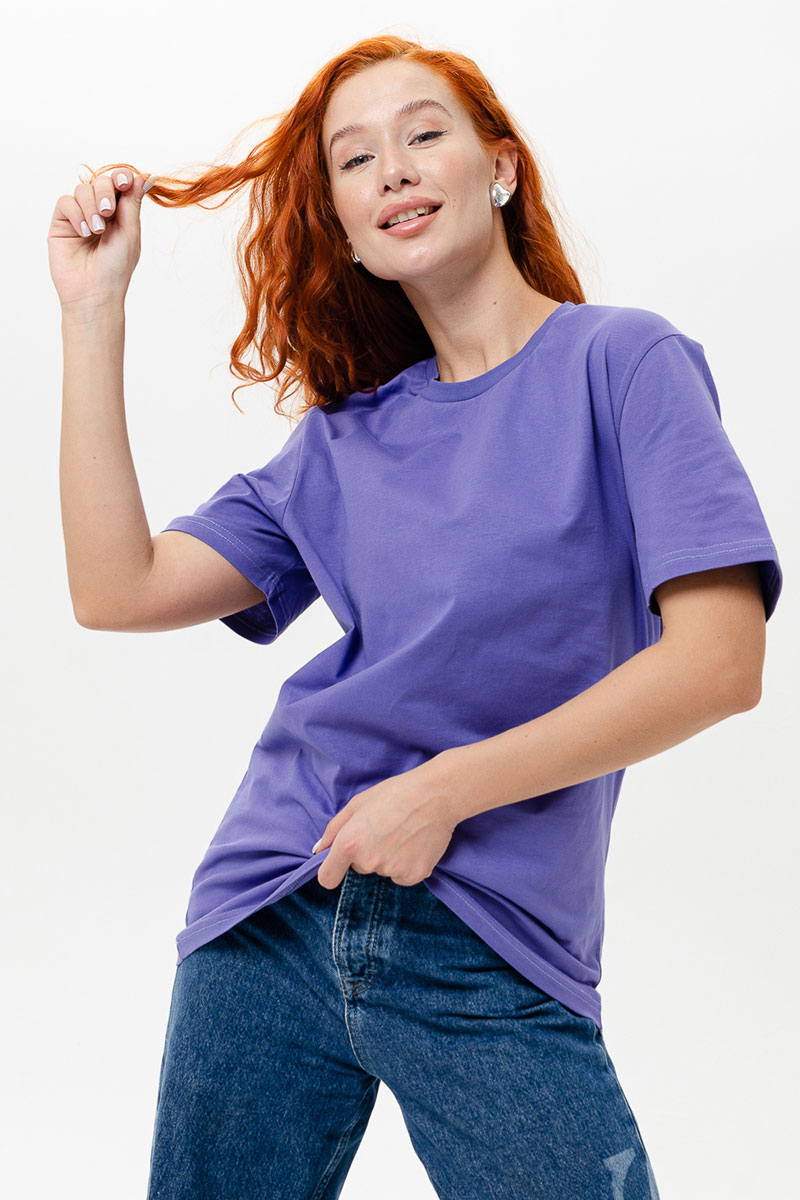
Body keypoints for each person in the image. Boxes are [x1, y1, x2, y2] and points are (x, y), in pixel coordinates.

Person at [48, 33, 781, 1200]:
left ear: (499, 169)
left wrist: (444, 792)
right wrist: (93, 313)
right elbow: (115, 589)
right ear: (343, 226)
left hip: (492, 939)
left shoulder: (621, 363)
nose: (391, 167)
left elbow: (719, 661)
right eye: (354, 159)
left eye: (423, 133)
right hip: (273, 913)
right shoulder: (344, 440)